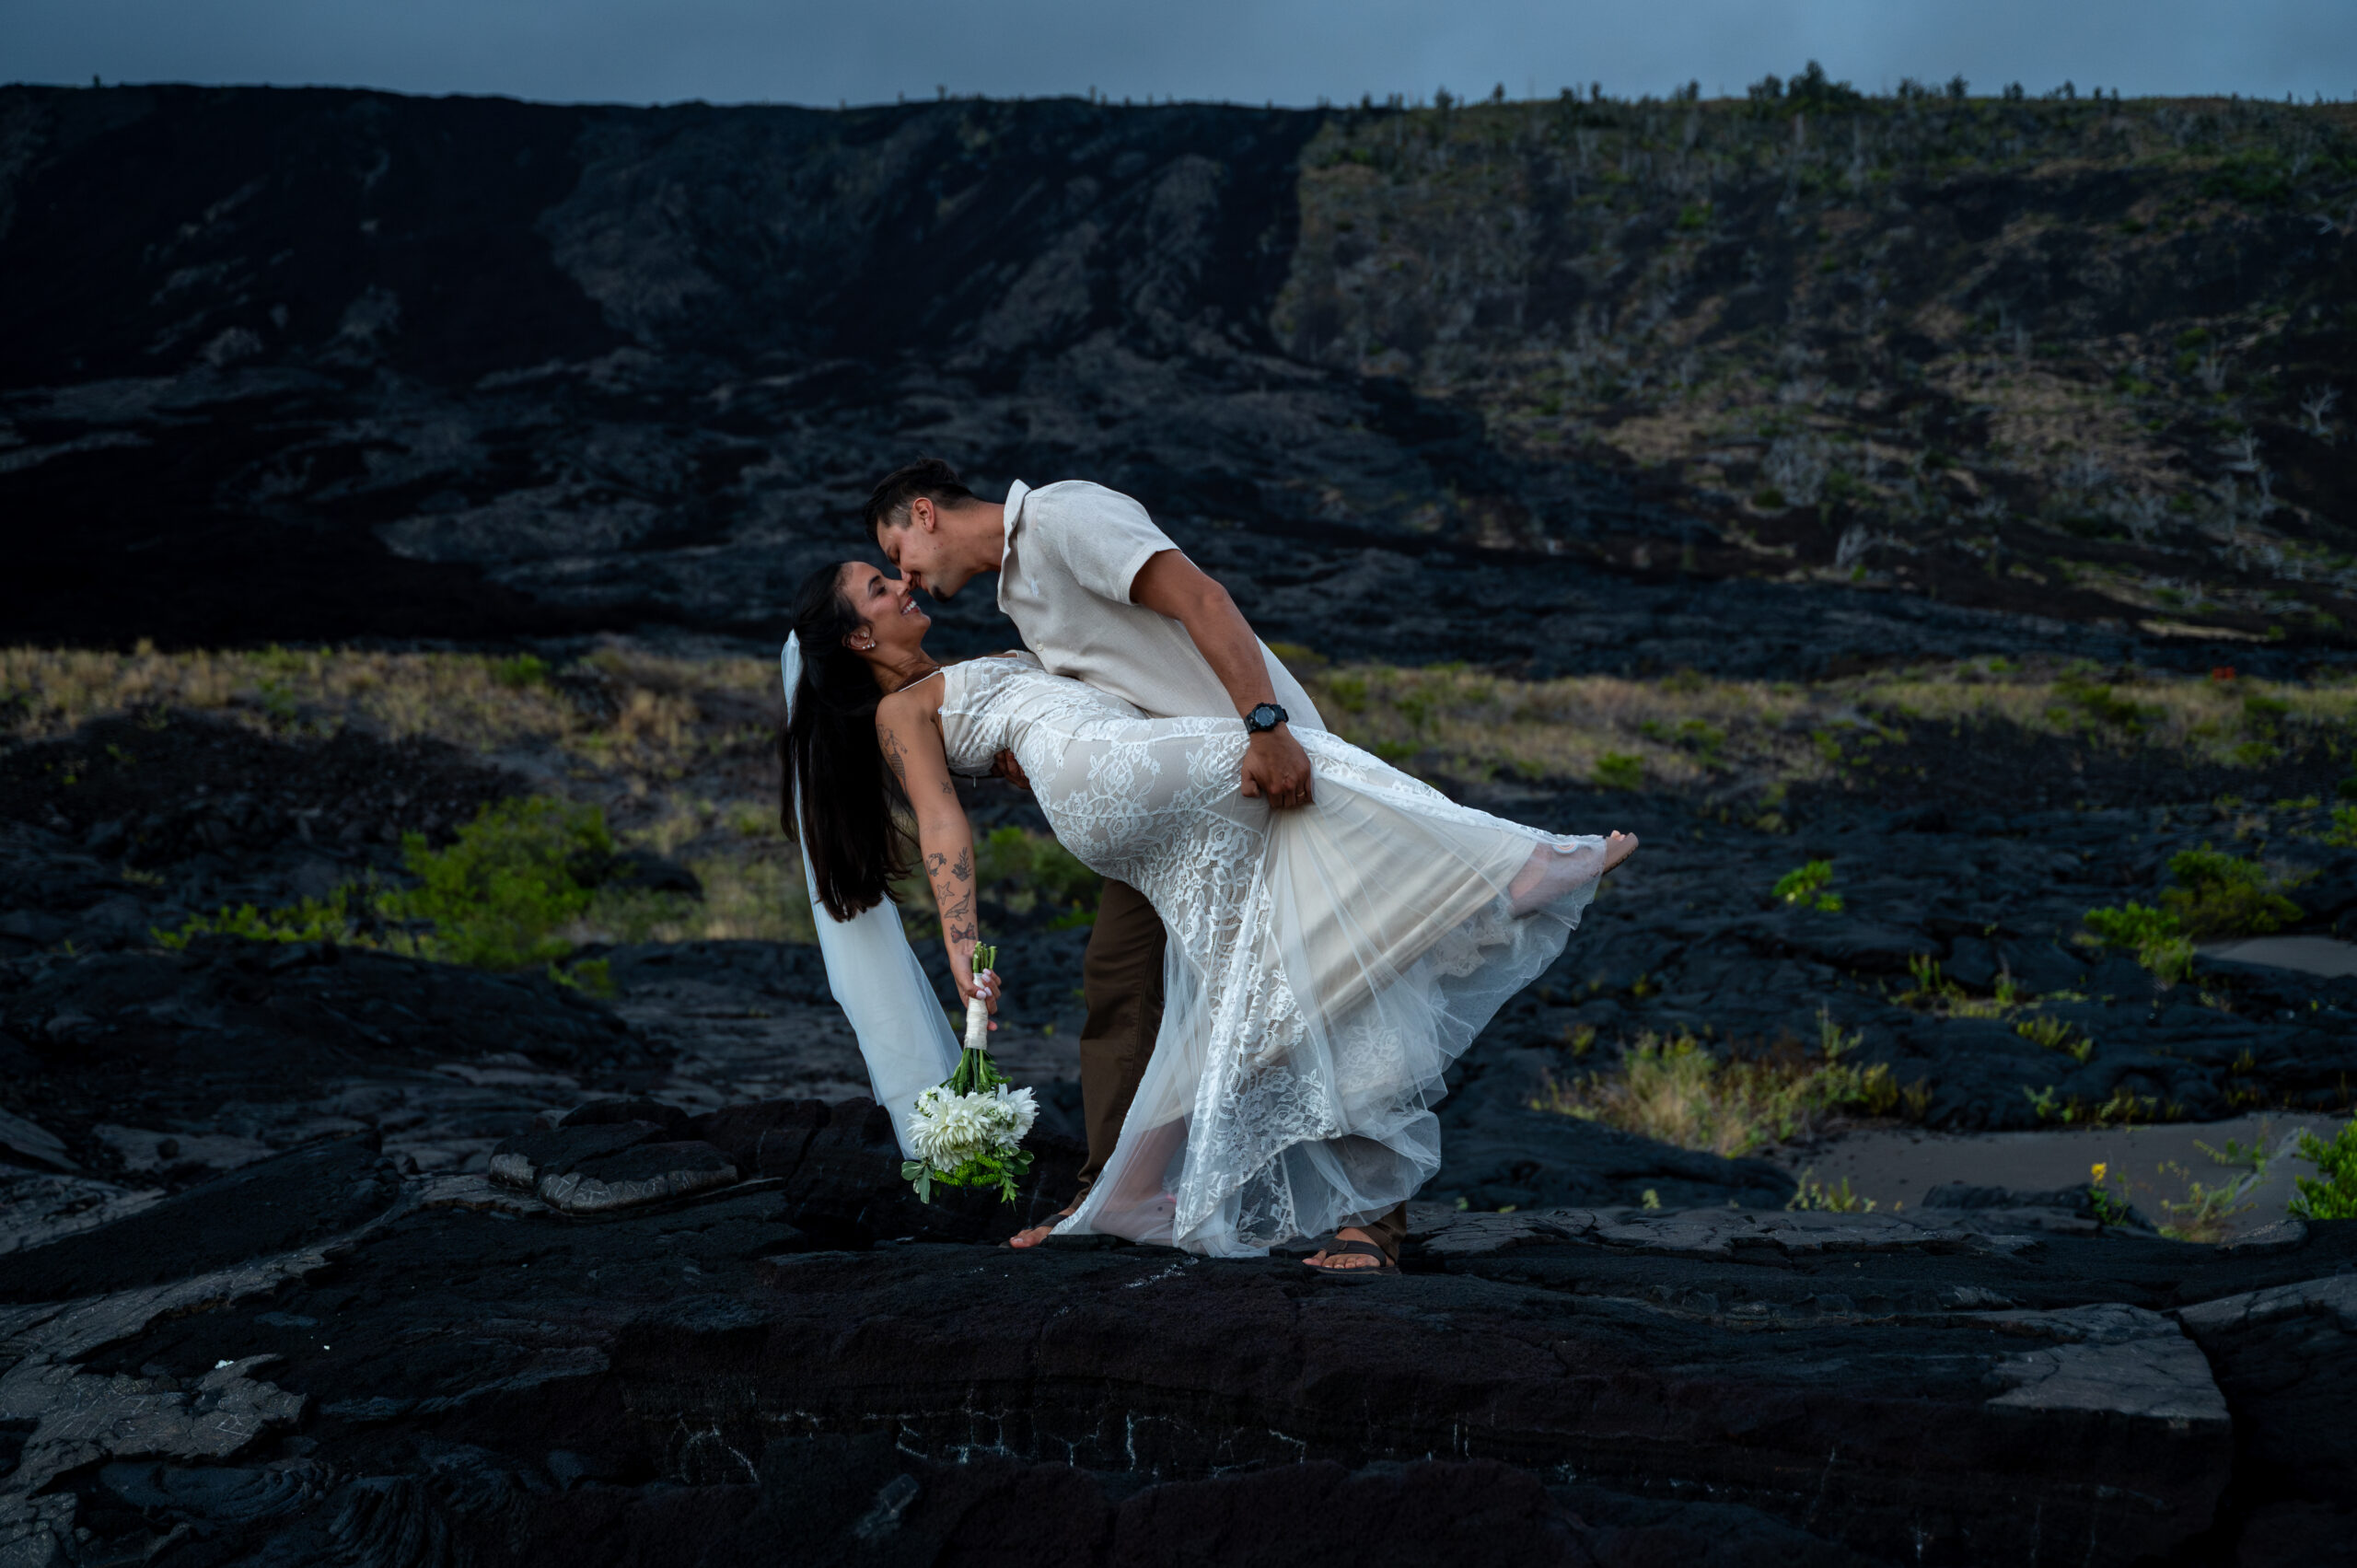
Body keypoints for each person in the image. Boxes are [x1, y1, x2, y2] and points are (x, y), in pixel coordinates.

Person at [781, 555, 1636, 1270]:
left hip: (1118, 773)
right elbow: (941, 823)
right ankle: (1512, 868)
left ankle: (1138, 1193)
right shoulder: (901, 708)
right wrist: (964, 951)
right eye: (878, 589)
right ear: (859, 636)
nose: (901, 584)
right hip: (1109, 772)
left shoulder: (975, 665)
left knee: (1247, 984)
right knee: (1300, 751)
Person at [863, 460, 1340, 1257]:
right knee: (1118, 981)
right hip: (1173, 810)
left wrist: (1267, 725)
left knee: (1307, 979)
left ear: (925, 513)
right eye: (883, 580)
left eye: (896, 551)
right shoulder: (1019, 600)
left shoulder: (1060, 518)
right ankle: (1114, 1197)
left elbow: (1202, 599)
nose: (906, 577)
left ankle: (1370, 1218)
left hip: (1254, 763)